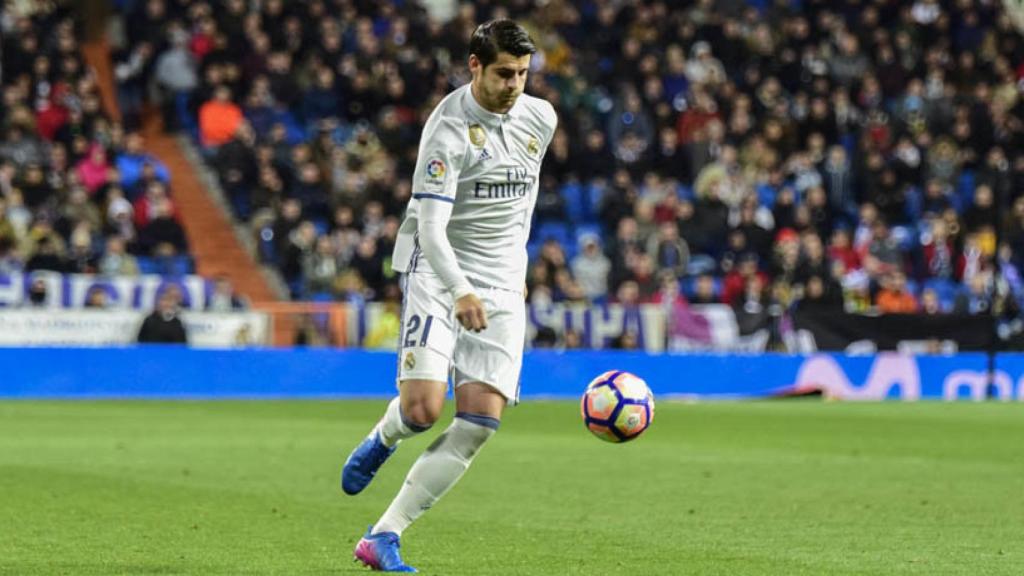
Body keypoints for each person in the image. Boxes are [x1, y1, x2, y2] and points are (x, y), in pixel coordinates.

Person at [340, 19, 556, 573]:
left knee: (479, 423)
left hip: (502, 284)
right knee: (423, 411)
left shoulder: (541, 118)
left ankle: (383, 535)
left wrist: (514, 269)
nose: (514, 85)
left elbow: (521, 203)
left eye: (523, 74)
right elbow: (432, 228)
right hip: (441, 273)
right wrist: (460, 290)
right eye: (504, 73)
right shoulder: (447, 129)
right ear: (474, 66)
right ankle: (386, 434)